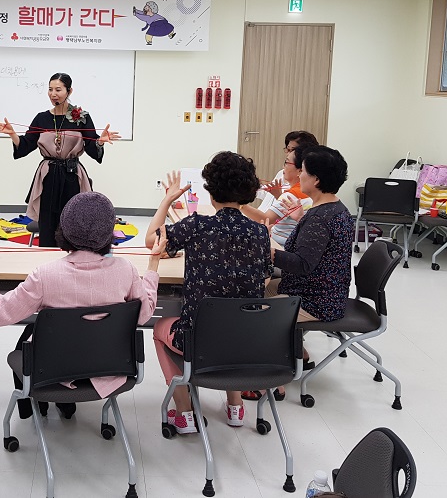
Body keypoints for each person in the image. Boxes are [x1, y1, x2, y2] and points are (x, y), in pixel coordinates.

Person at [0, 191, 165, 418]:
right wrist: (153, 265)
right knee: (33, 331)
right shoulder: (126, 270)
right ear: (111, 232)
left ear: (64, 229)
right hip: (109, 367)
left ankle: (35, 406)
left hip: (55, 368)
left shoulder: (45, 275)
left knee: (29, 337)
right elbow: (144, 314)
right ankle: (62, 404)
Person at [144, 154, 273, 432]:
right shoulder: (260, 233)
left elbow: (152, 240)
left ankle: (184, 412)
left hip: (198, 342)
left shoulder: (197, 226)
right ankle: (236, 407)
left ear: (211, 192)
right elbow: (263, 279)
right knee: (233, 314)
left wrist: (167, 200)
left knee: (160, 328)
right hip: (246, 342)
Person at [246, 146, 355, 402]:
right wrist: (299, 219)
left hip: (316, 300)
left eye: (303, 171)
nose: (298, 176)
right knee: (254, 291)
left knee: (251, 313)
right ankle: (297, 353)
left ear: (315, 179)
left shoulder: (319, 218)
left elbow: (303, 264)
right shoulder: (334, 209)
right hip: (322, 291)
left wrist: (268, 252)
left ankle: (272, 382)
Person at [0, 72, 120, 247]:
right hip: (48, 175)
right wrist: (13, 134)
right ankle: (47, 255)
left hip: (72, 174)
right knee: (48, 221)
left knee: (73, 218)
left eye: (58, 90)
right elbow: (26, 145)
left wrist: (99, 141)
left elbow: (92, 147)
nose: (53, 94)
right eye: (50, 89)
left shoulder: (81, 117)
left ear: (69, 91)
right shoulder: (42, 118)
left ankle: (72, 256)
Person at [242, 144, 314, 246]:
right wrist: (278, 196)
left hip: (281, 247)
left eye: (286, 163)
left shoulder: (292, 195)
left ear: (300, 170)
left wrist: (239, 204)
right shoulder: (306, 190)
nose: (283, 167)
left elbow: (266, 219)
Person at [258, 130, 319, 212]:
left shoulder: (308, 183)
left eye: (293, 150)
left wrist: (279, 196)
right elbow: (268, 195)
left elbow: (292, 209)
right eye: (288, 149)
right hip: (261, 215)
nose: (288, 154)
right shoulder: (282, 173)